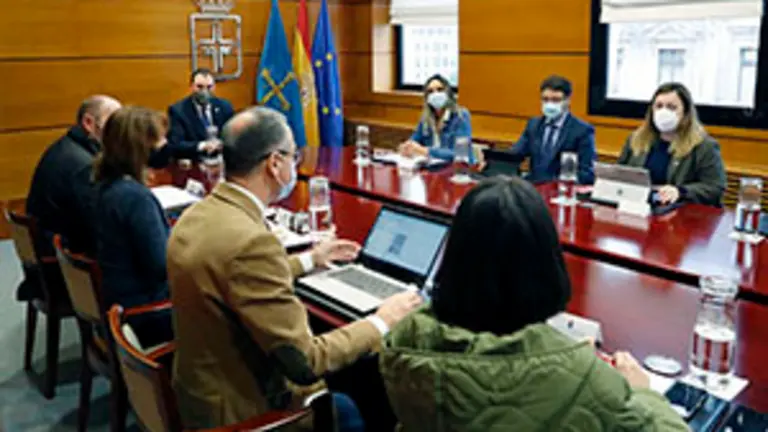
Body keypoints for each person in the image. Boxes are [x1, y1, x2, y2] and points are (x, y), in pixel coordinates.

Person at [168, 106, 422, 430]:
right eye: (293, 156)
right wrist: (382, 321)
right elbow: (306, 362)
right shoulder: (250, 243)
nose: (295, 163)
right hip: (245, 414)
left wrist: (310, 259)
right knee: (358, 402)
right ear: (274, 164)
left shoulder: (199, 214)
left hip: (200, 392)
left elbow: (232, 275)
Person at [379, 178, 689, 431]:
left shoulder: (404, 338)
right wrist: (641, 390)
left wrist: (560, 352)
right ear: (546, 261)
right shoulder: (582, 375)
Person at [93, 106, 173, 347]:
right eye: (158, 142)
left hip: (119, 302)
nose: (164, 145)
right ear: (140, 148)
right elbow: (161, 267)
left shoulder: (105, 184)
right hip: (147, 312)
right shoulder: (135, 198)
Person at [26, 95, 122, 255]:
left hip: (51, 241)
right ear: (89, 123)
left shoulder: (66, 146)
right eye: (113, 123)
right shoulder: (83, 165)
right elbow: (96, 227)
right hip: (66, 254)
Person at [618, 82, 726, 207]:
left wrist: (681, 191)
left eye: (671, 107)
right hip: (640, 209)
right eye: (658, 106)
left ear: (685, 113)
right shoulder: (636, 139)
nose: (663, 112)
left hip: (682, 214)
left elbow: (715, 187)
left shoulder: (704, 146)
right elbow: (620, 174)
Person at [508, 75, 596, 184]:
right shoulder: (534, 124)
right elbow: (515, 154)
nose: (550, 104)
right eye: (545, 99)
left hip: (561, 190)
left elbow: (586, 173)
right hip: (533, 188)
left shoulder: (582, 130)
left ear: (568, 100)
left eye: (556, 100)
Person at [154, 68, 235, 167]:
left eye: (209, 87)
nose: (204, 91)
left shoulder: (224, 106)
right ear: (191, 86)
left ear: (214, 87)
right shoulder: (178, 111)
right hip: (194, 162)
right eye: (199, 87)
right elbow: (175, 144)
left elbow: (233, 136)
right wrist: (202, 146)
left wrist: (221, 144)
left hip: (222, 161)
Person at [399, 74, 472, 162]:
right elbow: (415, 140)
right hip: (433, 168)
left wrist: (427, 151)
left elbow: (461, 154)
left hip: (459, 170)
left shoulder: (461, 115)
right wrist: (407, 146)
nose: (435, 94)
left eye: (440, 89)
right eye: (430, 91)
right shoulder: (425, 117)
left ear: (448, 92)